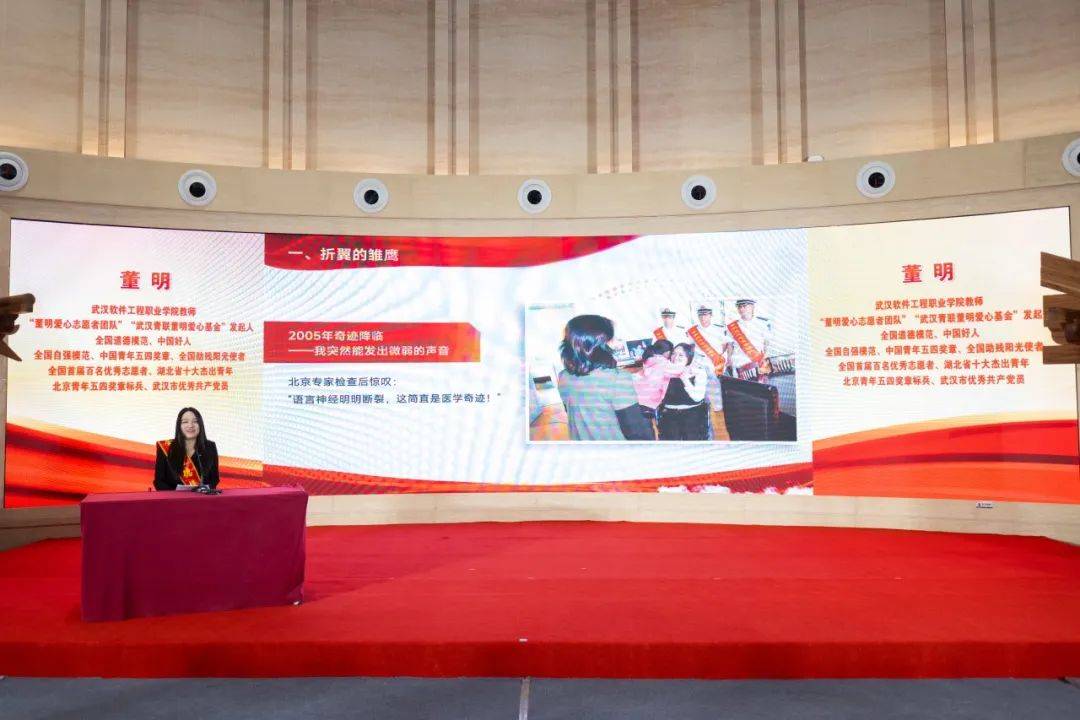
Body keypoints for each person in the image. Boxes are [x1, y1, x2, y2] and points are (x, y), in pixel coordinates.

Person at [556, 314, 644, 441]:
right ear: (598, 346)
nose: (617, 343)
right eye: (611, 338)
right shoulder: (617, 379)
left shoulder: (563, 377)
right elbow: (636, 430)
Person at [154, 407, 220, 490]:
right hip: (173, 497)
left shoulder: (210, 447)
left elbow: (214, 479)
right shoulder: (165, 447)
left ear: (200, 425)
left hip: (202, 497)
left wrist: (206, 490)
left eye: (195, 421)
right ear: (179, 426)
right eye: (185, 422)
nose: (190, 425)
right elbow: (159, 482)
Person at [687, 304, 728, 438]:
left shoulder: (719, 330)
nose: (703, 318)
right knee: (702, 397)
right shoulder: (693, 331)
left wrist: (719, 359)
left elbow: (725, 346)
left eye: (706, 315)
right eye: (701, 315)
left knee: (717, 398)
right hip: (699, 366)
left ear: (710, 315)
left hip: (714, 365)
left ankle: (720, 426)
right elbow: (691, 348)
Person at [631, 339, 685, 437]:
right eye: (673, 353)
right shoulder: (663, 363)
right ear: (667, 353)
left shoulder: (650, 359)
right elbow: (680, 370)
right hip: (649, 402)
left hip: (637, 400)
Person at [658, 343, 710, 440]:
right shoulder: (662, 371)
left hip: (693, 416)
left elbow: (697, 398)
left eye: (681, 355)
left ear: (688, 358)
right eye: (673, 354)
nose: (676, 357)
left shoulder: (698, 371)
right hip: (669, 416)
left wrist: (684, 379)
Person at [726, 298, 773, 380]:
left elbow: (766, 343)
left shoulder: (762, 324)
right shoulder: (732, 326)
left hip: (758, 364)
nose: (741, 309)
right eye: (739, 306)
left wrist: (765, 359)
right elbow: (730, 345)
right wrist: (729, 359)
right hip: (739, 365)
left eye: (744, 306)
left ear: (752, 307)